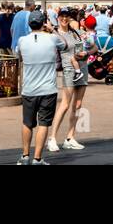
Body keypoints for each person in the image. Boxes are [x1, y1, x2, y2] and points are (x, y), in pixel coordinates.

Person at [17, 10, 65, 165]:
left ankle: (25, 156)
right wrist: (52, 29)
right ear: (43, 23)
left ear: (29, 24)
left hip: (29, 89)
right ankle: (37, 158)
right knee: (43, 123)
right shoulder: (52, 39)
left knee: (27, 123)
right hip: (48, 89)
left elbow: (19, 55)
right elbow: (64, 44)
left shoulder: (22, 41)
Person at [49, 8, 87, 153]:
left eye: (67, 17)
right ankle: (52, 137)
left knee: (78, 105)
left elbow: (87, 46)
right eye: (62, 16)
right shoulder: (55, 33)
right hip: (69, 70)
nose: (64, 19)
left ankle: (70, 137)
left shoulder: (75, 32)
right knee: (65, 104)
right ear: (58, 18)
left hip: (82, 68)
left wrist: (86, 52)